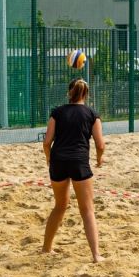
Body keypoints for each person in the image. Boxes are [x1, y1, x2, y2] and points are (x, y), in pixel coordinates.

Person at [42, 78, 106, 263]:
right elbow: (100, 144)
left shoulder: (57, 112)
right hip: (79, 161)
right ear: (87, 94)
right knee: (87, 210)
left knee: (60, 206)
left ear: (69, 92)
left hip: (58, 161)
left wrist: (49, 158)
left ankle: (46, 248)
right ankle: (96, 255)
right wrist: (99, 159)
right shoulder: (92, 114)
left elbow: (47, 142)